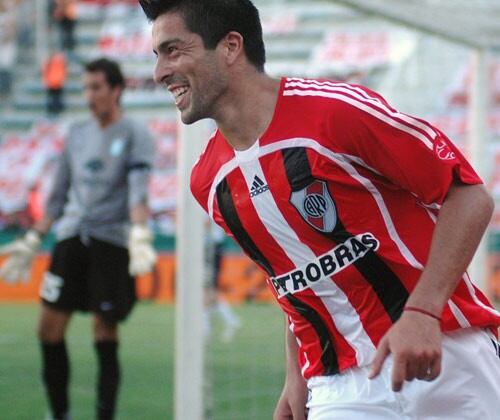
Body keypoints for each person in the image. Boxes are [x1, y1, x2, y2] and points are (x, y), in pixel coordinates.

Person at [139, 1, 500, 419]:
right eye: (157, 55)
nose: (160, 72)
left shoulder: (333, 113)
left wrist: (422, 311)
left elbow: (470, 196)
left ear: (231, 46)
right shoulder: (209, 181)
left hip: (444, 351)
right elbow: (294, 278)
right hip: (339, 386)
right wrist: (297, 376)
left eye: (173, 50)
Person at [0, 57, 156, 420]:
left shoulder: (135, 134)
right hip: (71, 237)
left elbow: (137, 193)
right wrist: (33, 240)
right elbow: (57, 197)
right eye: (86, 88)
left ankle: (104, 415)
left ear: (116, 90)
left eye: (97, 88)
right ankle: (60, 414)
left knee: (105, 330)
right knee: (48, 329)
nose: (90, 96)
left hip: (111, 243)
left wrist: (139, 235)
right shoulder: (76, 134)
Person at [204, 221, 241, 342]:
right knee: (206, 292)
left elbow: (206, 223)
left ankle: (229, 321)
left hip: (212, 248)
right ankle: (207, 329)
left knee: (208, 291)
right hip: (211, 247)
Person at [42, 50, 67, 116]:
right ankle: (56, 110)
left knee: (53, 98)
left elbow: (45, 71)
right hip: (57, 81)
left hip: (52, 82)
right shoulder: (60, 60)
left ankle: (52, 111)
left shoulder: (49, 61)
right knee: (56, 98)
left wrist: (46, 80)